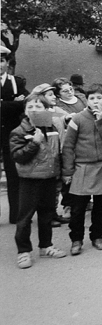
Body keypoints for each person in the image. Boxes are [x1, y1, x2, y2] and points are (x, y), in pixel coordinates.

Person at [61, 83, 102, 255]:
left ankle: (97, 236)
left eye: (99, 98)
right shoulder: (77, 119)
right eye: (92, 98)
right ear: (86, 100)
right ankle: (76, 239)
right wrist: (67, 171)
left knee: (101, 207)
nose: (95, 101)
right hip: (82, 168)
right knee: (78, 208)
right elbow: (68, 146)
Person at [11, 94, 67, 268]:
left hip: (49, 178)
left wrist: (61, 172)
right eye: (30, 107)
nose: (34, 110)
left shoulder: (52, 128)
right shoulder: (19, 131)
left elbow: (57, 152)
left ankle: (46, 246)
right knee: (25, 217)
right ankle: (23, 251)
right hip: (30, 180)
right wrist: (34, 143)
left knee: (47, 215)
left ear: (46, 109)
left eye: (38, 106)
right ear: (25, 110)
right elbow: (18, 157)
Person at [1, 49, 29, 224]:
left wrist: (5, 105)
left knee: (13, 174)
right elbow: (16, 106)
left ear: (7, 63)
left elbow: (25, 104)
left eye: (2, 61)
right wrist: (13, 104)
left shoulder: (15, 82)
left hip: (10, 133)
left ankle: (16, 215)